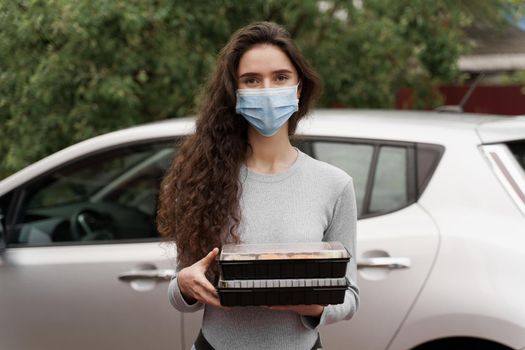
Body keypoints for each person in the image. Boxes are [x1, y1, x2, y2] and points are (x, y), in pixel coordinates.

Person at [157, 21, 359, 350]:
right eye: (252, 80)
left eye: (280, 77)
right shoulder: (203, 179)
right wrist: (184, 284)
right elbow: (180, 291)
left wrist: (314, 306)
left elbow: (350, 296)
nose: (267, 90)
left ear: (298, 88)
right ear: (235, 93)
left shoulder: (334, 184)